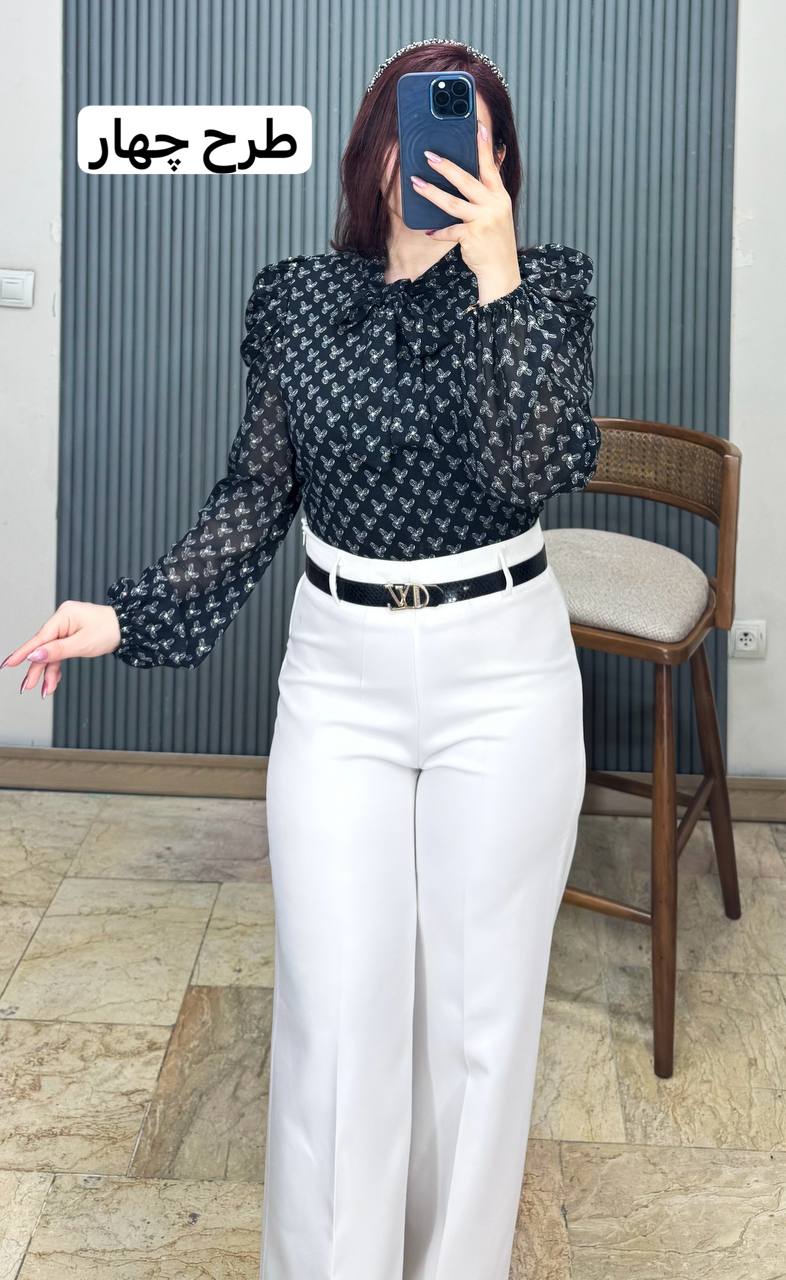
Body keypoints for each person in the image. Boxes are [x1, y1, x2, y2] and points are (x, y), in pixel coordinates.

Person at [2, 38, 601, 1280]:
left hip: (505, 675)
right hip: (342, 674)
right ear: (373, 152)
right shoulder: (295, 300)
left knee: (479, 1023)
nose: (439, 157)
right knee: (337, 1013)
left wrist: (495, 272)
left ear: (502, 160)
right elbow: (257, 491)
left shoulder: (543, 288)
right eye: (416, 130)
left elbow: (540, 465)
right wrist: (129, 612)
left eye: (474, 135)